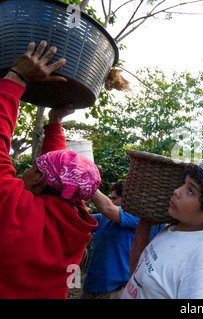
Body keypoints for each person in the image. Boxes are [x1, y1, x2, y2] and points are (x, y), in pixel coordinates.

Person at [0, 41, 101, 298]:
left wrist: (17, 76)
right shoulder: (76, 223)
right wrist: (54, 123)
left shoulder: (16, 208)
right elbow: (59, 173)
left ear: (36, 177)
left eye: (34, 167)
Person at [122, 159, 203, 299]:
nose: (177, 191)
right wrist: (145, 223)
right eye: (184, 183)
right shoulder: (171, 230)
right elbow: (138, 277)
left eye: (190, 190)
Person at [80, 180, 140, 299]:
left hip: (115, 290)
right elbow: (81, 220)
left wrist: (86, 181)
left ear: (128, 199)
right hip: (91, 286)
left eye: (114, 198)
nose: (111, 201)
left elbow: (107, 209)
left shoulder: (136, 217)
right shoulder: (104, 219)